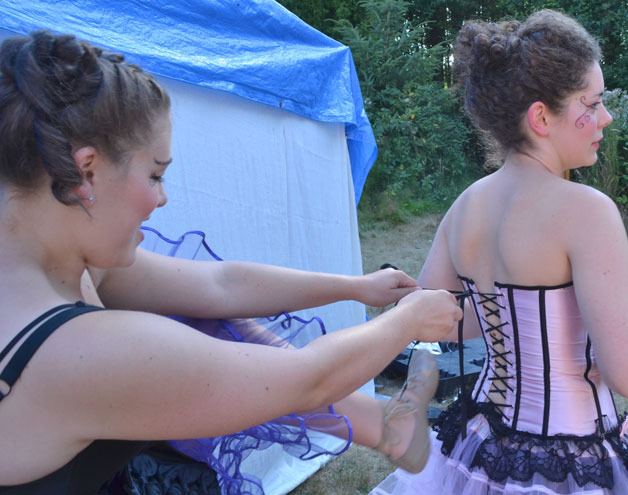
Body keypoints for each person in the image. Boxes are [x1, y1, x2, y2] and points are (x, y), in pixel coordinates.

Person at [0, 31, 462, 494]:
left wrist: (355, 287)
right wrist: (409, 320)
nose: (162, 198)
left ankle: (381, 421)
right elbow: (305, 380)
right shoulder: (72, 350)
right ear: (86, 171)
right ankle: (384, 423)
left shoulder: (56, 266)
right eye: (155, 174)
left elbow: (220, 286)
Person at [371, 9, 628, 495]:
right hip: (574, 457)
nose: (605, 118)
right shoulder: (587, 211)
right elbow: (623, 371)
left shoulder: (467, 204)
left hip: (481, 444)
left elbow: (434, 320)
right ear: (540, 117)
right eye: (590, 104)